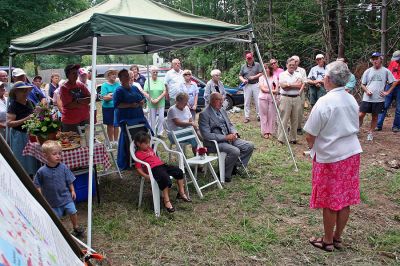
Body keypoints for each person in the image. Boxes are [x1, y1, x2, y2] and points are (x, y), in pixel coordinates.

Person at [304, 61, 362, 252]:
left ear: (328, 79)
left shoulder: (325, 101)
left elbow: (310, 134)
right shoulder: (350, 99)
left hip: (331, 156)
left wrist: (313, 146)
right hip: (351, 154)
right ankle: (337, 237)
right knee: (344, 198)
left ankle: (327, 240)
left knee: (330, 200)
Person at [199, 92, 254, 182]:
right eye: (219, 100)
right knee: (235, 151)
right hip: (215, 143)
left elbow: (230, 124)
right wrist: (225, 137)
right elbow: (206, 135)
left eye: (222, 100)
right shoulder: (204, 114)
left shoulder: (222, 110)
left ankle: (234, 167)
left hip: (229, 138)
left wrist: (234, 133)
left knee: (249, 145)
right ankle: (224, 174)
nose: (222, 103)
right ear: (212, 101)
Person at [33, 140, 84, 237]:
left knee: (73, 211)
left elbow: (69, 179)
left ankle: (76, 226)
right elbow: (37, 184)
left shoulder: (63, 167)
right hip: (52, 200)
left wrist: (72, 190)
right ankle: (59, 233)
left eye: (59, 153)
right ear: (45, 155)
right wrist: (41, 196)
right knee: (56, 218)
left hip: (66, 197)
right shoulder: (41, 171)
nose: (58, 156)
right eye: (54, 154)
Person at [134, 132, 191, 213]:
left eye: (149, 142)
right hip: (154, 169)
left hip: (162, 165)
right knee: (165, 178)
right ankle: (166, 201)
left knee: (178, 171)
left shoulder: (149, 149)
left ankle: (181, 193)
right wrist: (146, 176)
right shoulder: (138, 154)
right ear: (138, 144)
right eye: (146, 143)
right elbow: (138, 169)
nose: (148, 145)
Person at [113, 69, 149, 170]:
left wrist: (142, 101)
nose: (127, 77)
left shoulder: (134, 88)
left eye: (127, 75)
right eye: (124, 76)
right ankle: (129, 160)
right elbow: (117, 105)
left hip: (138, 117)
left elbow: (142, 97)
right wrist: (130, 105)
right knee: (129, 138)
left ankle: (144, 157)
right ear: (120, 79)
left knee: (142, 136)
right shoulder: (118, 90)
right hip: (127, 118)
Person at [359, 52, 395, 141]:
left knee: (375, 116)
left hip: (379, 99)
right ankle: (356, 130)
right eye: (373, 59)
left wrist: (387, 92)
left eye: (376, 59)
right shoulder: (368, 71)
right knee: (360, 115)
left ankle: (371, 133)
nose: (375, 61)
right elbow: (362, 84)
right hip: (367, 98)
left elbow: (393, 83)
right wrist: (367, 90)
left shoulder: (386, 71)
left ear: (381, 59)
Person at [6, 81, 39, 176]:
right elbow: (9, 123)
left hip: (31, 135)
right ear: (16, 92)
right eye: (22, 91)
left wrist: (39, 113)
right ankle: (25, 181)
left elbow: (35, 117)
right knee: (23, 162)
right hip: (19, 136)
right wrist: (27, 119)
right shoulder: (13, 105)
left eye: (26, 90)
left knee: (32, 160)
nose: (25, 93)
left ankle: (33, 180)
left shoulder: (30, 102)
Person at [277, 58, 303, 144]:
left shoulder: (298, 74)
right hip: (285, 98)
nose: (292, 66)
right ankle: (281, 139)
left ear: (296, 66)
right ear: (286, 65)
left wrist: (289, 84)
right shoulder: (282, 74)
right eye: (290, 65)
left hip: (296, 98)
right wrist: (293, 84)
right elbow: (283, 87)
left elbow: (300, 85)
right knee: (284, 118)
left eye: (293, 65)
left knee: (295, 119)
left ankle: (293, 138)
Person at [60, 64, 91, 133]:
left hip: (84, 118)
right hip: (71, 121)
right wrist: (83, 101)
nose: (76, 75)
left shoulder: (80, 85)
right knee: (72, 142)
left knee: (86, 139)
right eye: (73, 73)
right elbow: (69, 105)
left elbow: (90, 99)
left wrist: (77, 101)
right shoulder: (64, 88)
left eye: (76, 73)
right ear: (67, 75)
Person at [376, 50, 400, 132]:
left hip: (398, 86)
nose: (396, 60)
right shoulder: (393, 62)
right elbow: (388, 73)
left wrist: (388, 90)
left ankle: (396, 126)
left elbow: (397, 80)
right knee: (384, 106)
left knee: (399, 108)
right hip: (389, 84)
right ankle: (378, 125)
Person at [239, 52, 263, 123]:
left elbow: (261, 73)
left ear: (252, 58)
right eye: (248, 58)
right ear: (246, 59)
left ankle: (259, 115)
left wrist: (254, 77)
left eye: (250, 58)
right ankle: (247, 117)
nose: (249, 60)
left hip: (256, 84)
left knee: (258, 100)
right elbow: (240, 75)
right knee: (246, 101)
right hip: (247, 85)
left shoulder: (257, 64)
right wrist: (243, 80)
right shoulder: (243, 66)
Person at [144, 66, 166, 137]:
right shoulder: (147, 81)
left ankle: (160, 132)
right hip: (151, 103)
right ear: (150, 72)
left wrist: (158, 99)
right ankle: (152, 132)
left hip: (161, 102)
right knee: (152, 119)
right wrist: (151, 99)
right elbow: (145, 92)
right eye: (154, 72)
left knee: (161, 118)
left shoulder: (161, 81)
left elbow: (164, 91)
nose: (155, 73)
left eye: (157, 72)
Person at [258, 63, 279, 139]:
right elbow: (262, 89)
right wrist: (271, 91)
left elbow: (276, 90)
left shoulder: (274, 77)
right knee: (263, 115)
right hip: (262, 99)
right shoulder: (261, 78)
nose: (265, 69)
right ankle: (264, 131)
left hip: (272, 99)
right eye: (264, 68)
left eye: (266, 68)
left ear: (270, 69)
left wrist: (270, 91)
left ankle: (270, 131)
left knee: (271, 115)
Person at [100, 68, 120, 144]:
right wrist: (112, 96)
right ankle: (111, 141)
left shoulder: (118, 84)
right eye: (112, 74)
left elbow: (120, 95)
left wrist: (110, 95)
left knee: (116, 124)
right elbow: (104, 98)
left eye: (115, 74)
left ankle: (116, 141)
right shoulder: (104, 85)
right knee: (110, 125)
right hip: (107, 108)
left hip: (117, 107)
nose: (114, 75)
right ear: (108, 76)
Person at [291, 55, 307, 135]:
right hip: (290, 93)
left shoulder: (302, 70)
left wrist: (300, 91)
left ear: (298, 62)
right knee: (291, 110)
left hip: (300, 92)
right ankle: (291, 127)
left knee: (299, 110)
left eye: (296, 61)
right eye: (293, 60)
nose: (295, 62)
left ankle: (298, 127)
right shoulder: (289, 70)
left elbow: (304, 82)